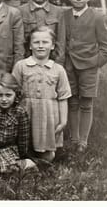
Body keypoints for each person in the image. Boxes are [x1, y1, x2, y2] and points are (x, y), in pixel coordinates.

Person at [63, 0, 107, 153]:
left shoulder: (97, 17)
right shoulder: (65, 15)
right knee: (72, 101)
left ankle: (83, 141)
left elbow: (106, 47)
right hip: (69, 67)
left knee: (86, 103)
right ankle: (74, 138)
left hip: (89, 68)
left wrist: (95, 63)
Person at [12, 26, 71, 162]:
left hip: (48, 115)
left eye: (45, 42)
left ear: (52, 46)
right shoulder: (21, 65)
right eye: (36, 42)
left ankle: (37, 162)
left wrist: (63, 121)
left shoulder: (58, 69)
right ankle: (27, 160)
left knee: (48, 156)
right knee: (23, 148)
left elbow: (63, 97)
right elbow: (12, 93)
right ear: (30, 46)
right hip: (26, 112)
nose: (40, 46)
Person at [18, 0, 66, 65]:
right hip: (27, 62)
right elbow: (19, 43)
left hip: (51, 62)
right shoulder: (20, 11)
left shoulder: (58, 12)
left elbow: (61, 42)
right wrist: (22, 64)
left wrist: (57, 65)